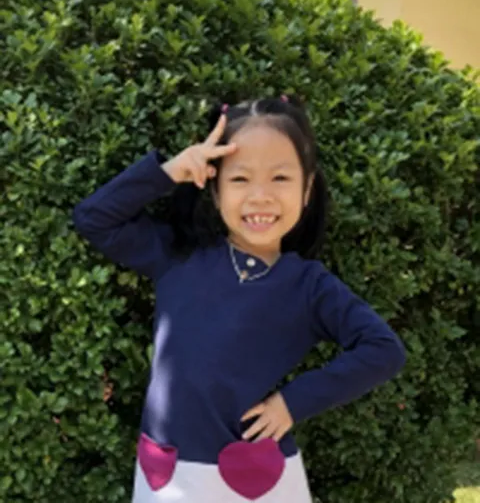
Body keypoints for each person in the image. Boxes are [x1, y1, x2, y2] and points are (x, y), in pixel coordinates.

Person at [73, 95, 406, 503]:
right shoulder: (178, 257)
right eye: (240, 179)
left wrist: (292, 403)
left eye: (280, 178)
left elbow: (383, 349)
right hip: (169, 477)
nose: (260, 196)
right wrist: (171, 171)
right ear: (214, 191)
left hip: (257, 479)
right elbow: (93, 219)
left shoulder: (309, 286)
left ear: (307, 190)